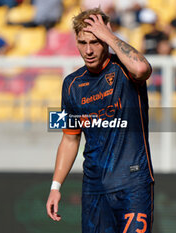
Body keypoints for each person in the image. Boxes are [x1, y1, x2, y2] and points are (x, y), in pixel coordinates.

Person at [46, 8, 154, 233]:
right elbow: (69, 139)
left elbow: (143, 68)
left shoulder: (125, 69)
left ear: (105, 39)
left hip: (133, 184)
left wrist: (110, 36)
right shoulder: (71, 84)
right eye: (82, 42)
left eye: (95, 42)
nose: (88, 50)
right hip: (94, 188)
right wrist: (55, 187)